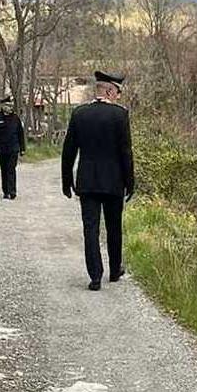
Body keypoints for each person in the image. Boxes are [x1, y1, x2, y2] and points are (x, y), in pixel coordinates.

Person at [62, 71, 135, 291]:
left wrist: (67, 181)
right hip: (114, 182)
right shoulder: (120, 115)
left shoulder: (79, 113)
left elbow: (68, 151)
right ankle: (114, 270)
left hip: (87, 182)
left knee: (90, 229)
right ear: (111, 91)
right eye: (118, 92)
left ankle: (95, 276)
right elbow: (126, 152)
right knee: (114, 227)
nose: (119, 97)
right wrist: (130, 183)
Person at [0, 96, 26, 200]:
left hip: (13, 148)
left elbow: (20, 134)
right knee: (4, 170)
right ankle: (5, 191)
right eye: (8, 106)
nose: (10, 108)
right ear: (2, 106)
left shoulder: (15, 118)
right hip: (1, 149)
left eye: (11, 106)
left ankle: (12, 191)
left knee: (11, 169)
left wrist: (22, 148)